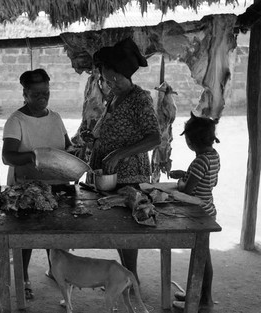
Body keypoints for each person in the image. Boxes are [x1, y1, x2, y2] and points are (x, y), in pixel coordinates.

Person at [90, 38, 161, 286]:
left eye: (116, 80)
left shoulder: (140, 98)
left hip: (130, 175)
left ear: (127, 75)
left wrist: (119, 154)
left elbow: (155, 138)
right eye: (107, 80)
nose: (111, 84)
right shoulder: (114, 98)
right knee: (119, 230)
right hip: (112, 175)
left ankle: (132, 278)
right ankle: (128, 276)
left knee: (128, 230)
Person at [1, 68, 72, 300]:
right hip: (26, 188)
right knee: (26, 235)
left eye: (46, 93)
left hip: (57, 183)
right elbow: (8, 157)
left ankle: (54, 268)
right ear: (25, 93)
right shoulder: (16, 120)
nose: (43, 98)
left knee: (56, 230)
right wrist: (35, 156)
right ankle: (22, 278)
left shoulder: (56, 118)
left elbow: (67, 147)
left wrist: (76, 152)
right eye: (36, 94)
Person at [169, 113, 221, 312]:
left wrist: (181, 182)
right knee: (201, 255)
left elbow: (187, 190)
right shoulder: (213, 156)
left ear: (191, 141)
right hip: (208, 206)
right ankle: (196, 293)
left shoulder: (199, 161)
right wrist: (186, 174)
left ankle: (204, 300)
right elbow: (209, 181)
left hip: (199, 212)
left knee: (202, 257)